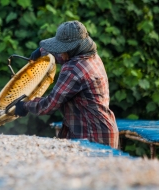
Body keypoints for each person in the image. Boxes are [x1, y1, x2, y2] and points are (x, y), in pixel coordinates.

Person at [14, 20, 119, 148]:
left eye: (62, 48)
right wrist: (42, 52)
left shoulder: (73, 69)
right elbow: (64, 57)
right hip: (102, 130)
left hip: (93, 136)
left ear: (72, 48)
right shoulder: (91, 56)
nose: (60, 52)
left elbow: (49, 105)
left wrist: (25, 105)